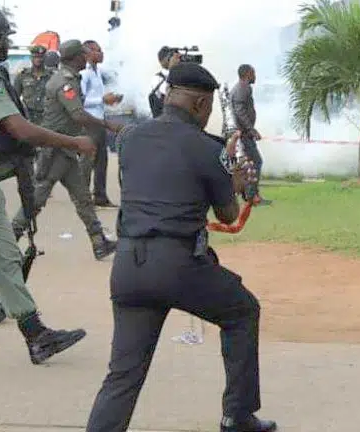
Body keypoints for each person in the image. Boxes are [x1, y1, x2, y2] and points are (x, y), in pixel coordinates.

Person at [86, 62, 276, 432]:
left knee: (123, 374)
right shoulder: (209, 149)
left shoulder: (130, 138)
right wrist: (233, 180)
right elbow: (227, 211)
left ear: (169, 94)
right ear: (200, 105)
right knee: (242, 312)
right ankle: (237, 416)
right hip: (178, 264)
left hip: (128, 264)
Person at [0, 5, 94, 364]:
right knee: (6, 262)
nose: (7, 44)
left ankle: (36, 336)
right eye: (2, 38)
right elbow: (19, 129)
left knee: (7, 262)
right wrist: (74, 142)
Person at [11, 40, 121, 260]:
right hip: (55, 150)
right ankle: (7, 240)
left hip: (65, 149)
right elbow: (78, 115)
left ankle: (99, 242)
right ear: (74, 58)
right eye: (83, 54)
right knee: (37, 198)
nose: (86, 57)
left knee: (82, 198)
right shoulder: (65, 82)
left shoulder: (70, 78)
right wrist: (108, 125)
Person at [80, 39, 123, 207]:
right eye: (97, 50)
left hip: (99, 121)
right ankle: (82, 197)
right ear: (88, 53)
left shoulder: (97, 72)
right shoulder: (84, 73)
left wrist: (109, 99)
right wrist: (101, 99)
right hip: (89, 121)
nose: (101, 53)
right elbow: (80, 99)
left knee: (101, 161)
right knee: (87, 160)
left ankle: (100, 196)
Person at [224, 63, 271, 205]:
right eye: (253, 73)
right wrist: (252, 130)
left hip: (241, 133)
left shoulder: (240, 88)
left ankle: (248, 194)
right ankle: (252, 196)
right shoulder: (243, 88)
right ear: (247, 74)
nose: (255, 76)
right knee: (255, 162)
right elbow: (240, 112)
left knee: (246, 163)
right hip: (243, 134)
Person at [13, 45, 52, 126]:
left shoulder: (52, 76)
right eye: (36, 57)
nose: (38, 59)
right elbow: (15, 97)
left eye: (41, 57)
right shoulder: (22, 76)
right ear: (31, 58)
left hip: (47, 116)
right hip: (28, 116)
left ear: (45, 58)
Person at [148, 46, 180, 118]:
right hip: (164, 121)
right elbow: (170, 93)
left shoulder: (181, 74)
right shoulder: (157, 78)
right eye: (171, 57)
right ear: (162, 61)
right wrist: (172, 68)